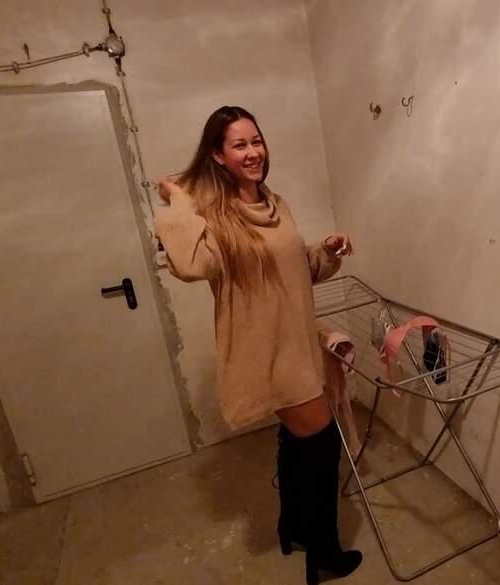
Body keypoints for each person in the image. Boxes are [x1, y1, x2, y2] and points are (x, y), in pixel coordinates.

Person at [154, 105, 361, 585]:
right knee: (322, 444)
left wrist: (325, 251)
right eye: (239, 145)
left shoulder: (275, 203)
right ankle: (324, 552)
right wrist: (180, 199)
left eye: (256, 141)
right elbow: (188, 264)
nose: (252, 153)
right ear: (218, 156)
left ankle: (293, 526)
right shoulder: (214, 217)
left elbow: (296, 268)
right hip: (266, 350)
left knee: (298, 440)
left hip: (297, 341)